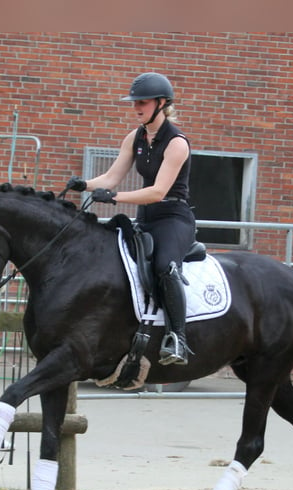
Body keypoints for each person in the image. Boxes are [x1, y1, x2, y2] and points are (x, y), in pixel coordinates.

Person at [66, 72, 195, 366]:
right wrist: (83, 184)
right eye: (134, 102)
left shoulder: (176, 143)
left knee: (165, 266)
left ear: (162, 103)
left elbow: (158, 191)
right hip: (145, 217)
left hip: (173, 218)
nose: (137, 107)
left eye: (143, 102)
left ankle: (178, 340)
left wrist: (114, 199)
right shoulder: (134, 137)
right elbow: (111, 177)